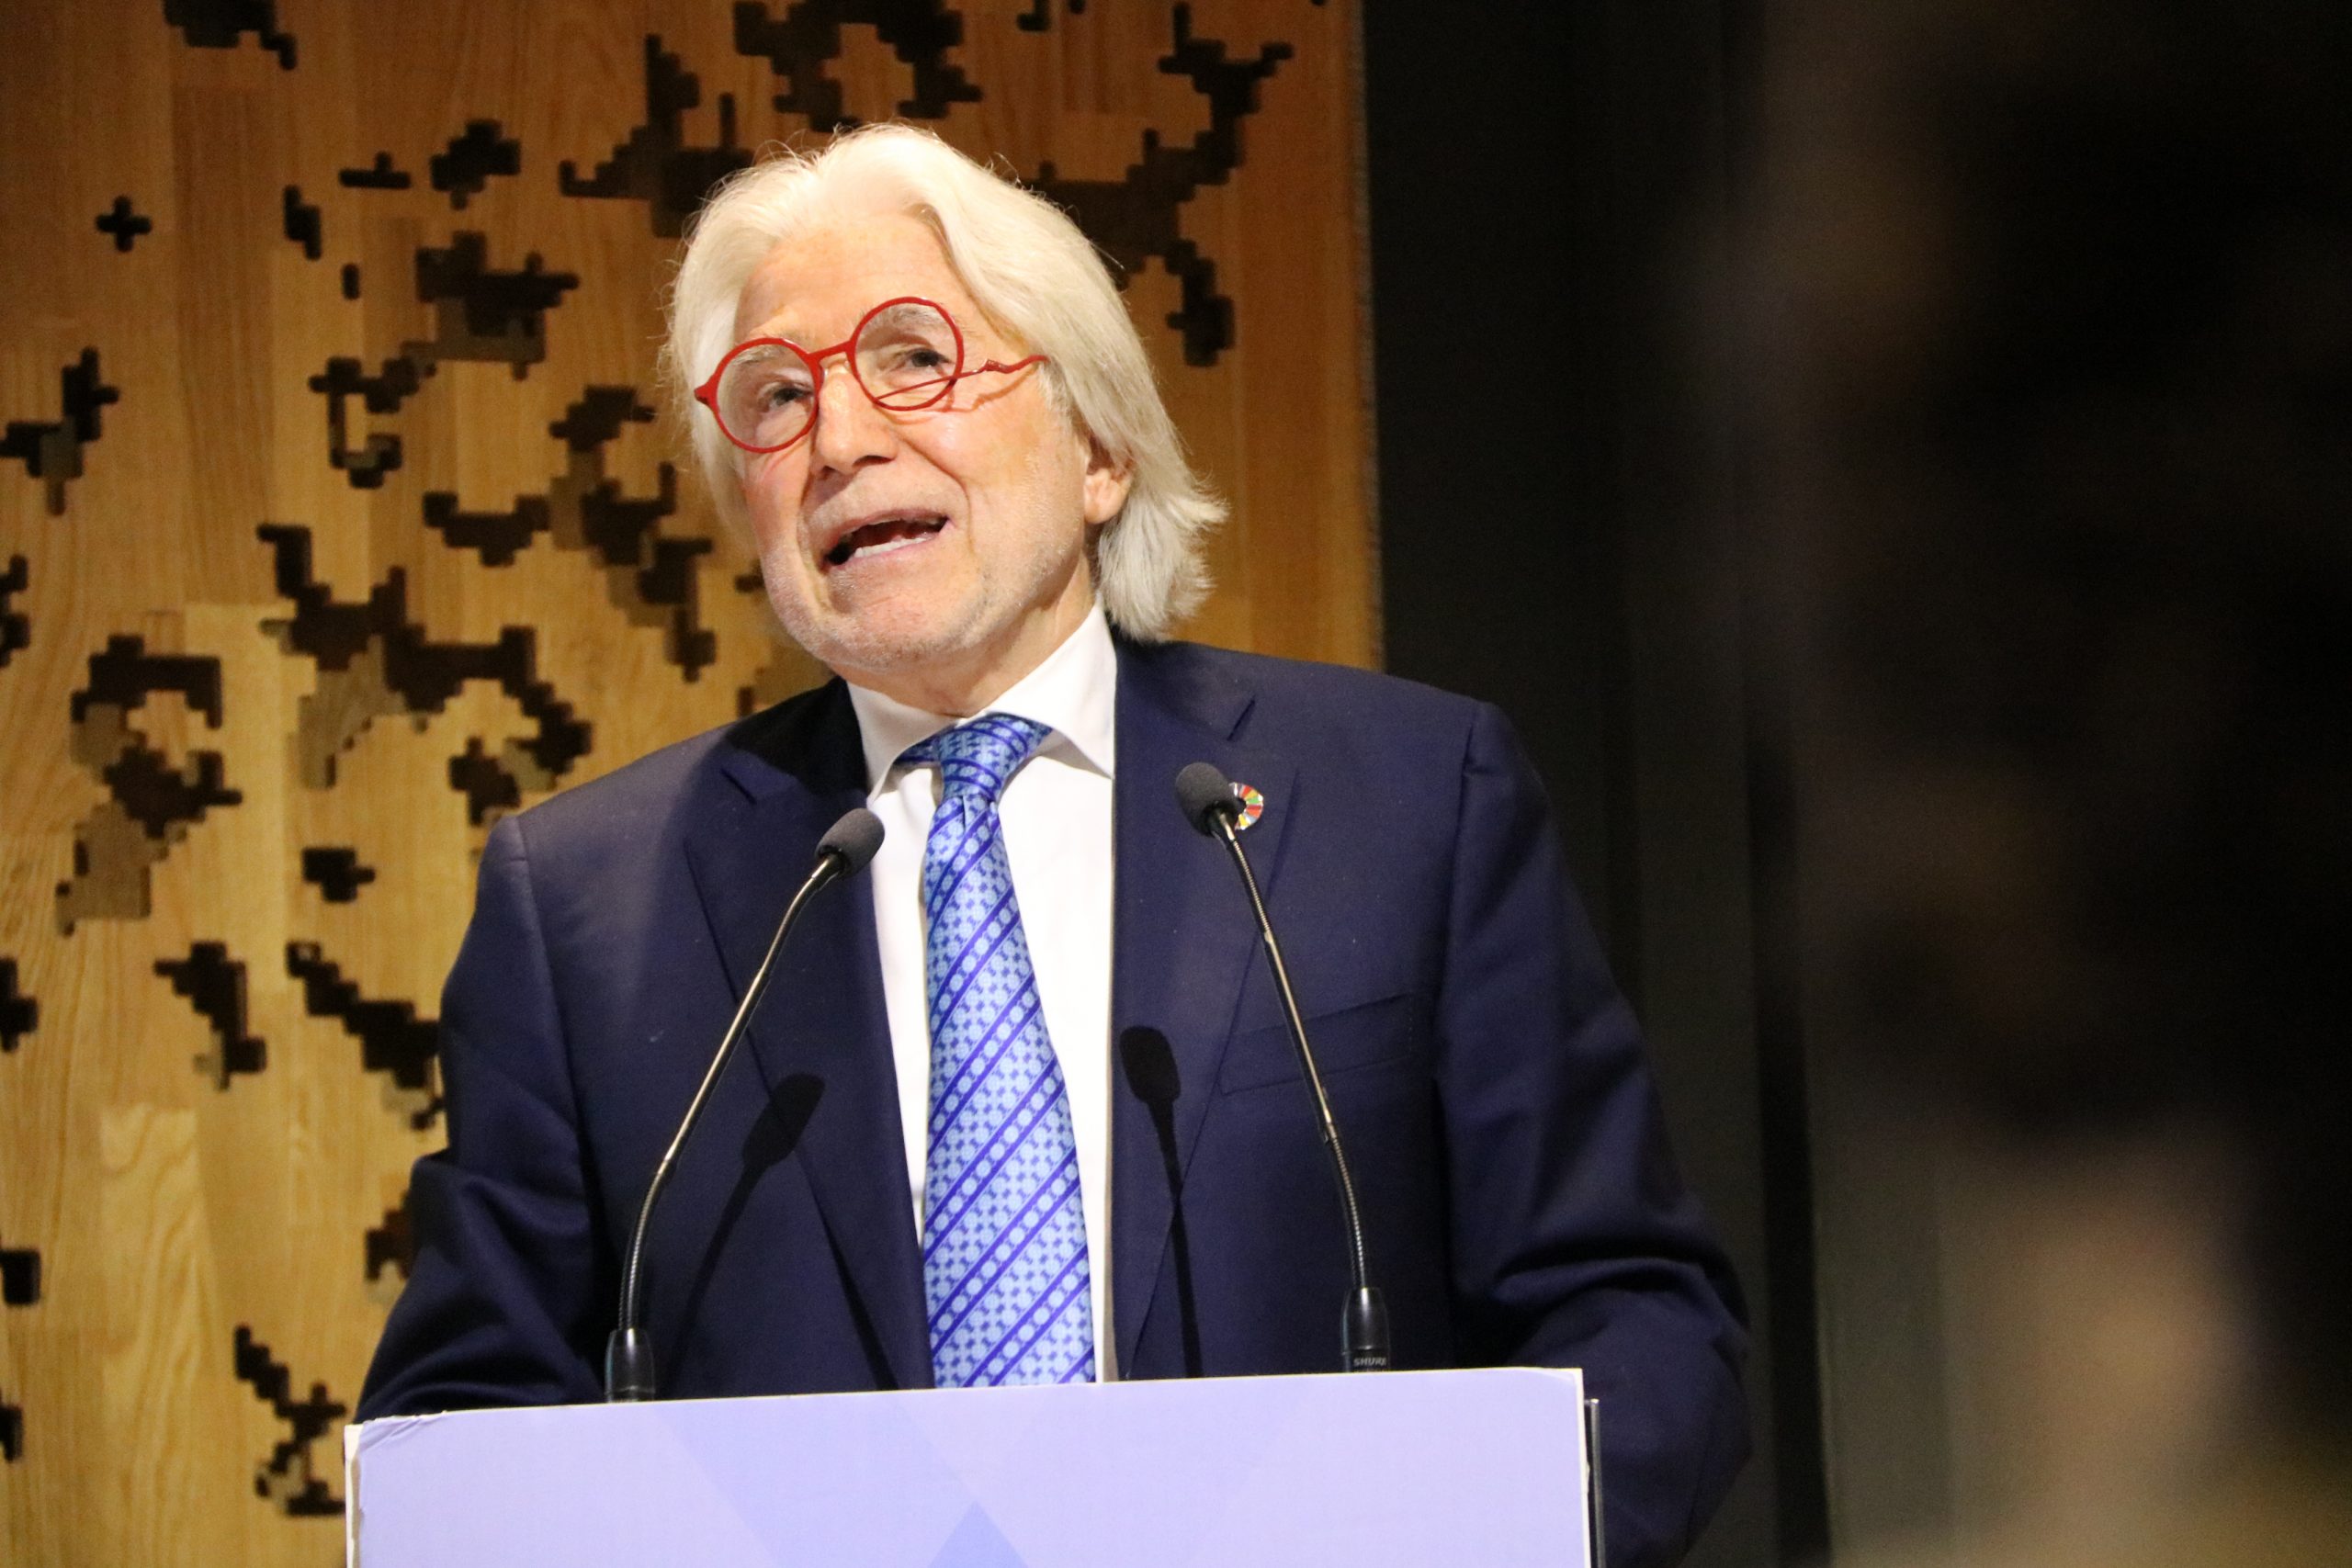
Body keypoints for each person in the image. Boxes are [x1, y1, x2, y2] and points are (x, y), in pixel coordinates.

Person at [358, 125, 1748, 1566]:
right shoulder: (586, 907)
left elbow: (1635, 1320)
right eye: (777, 397)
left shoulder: (1406, 802)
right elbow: (461, 1428)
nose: (839, 441)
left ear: (1099, 448)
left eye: (912, 359)